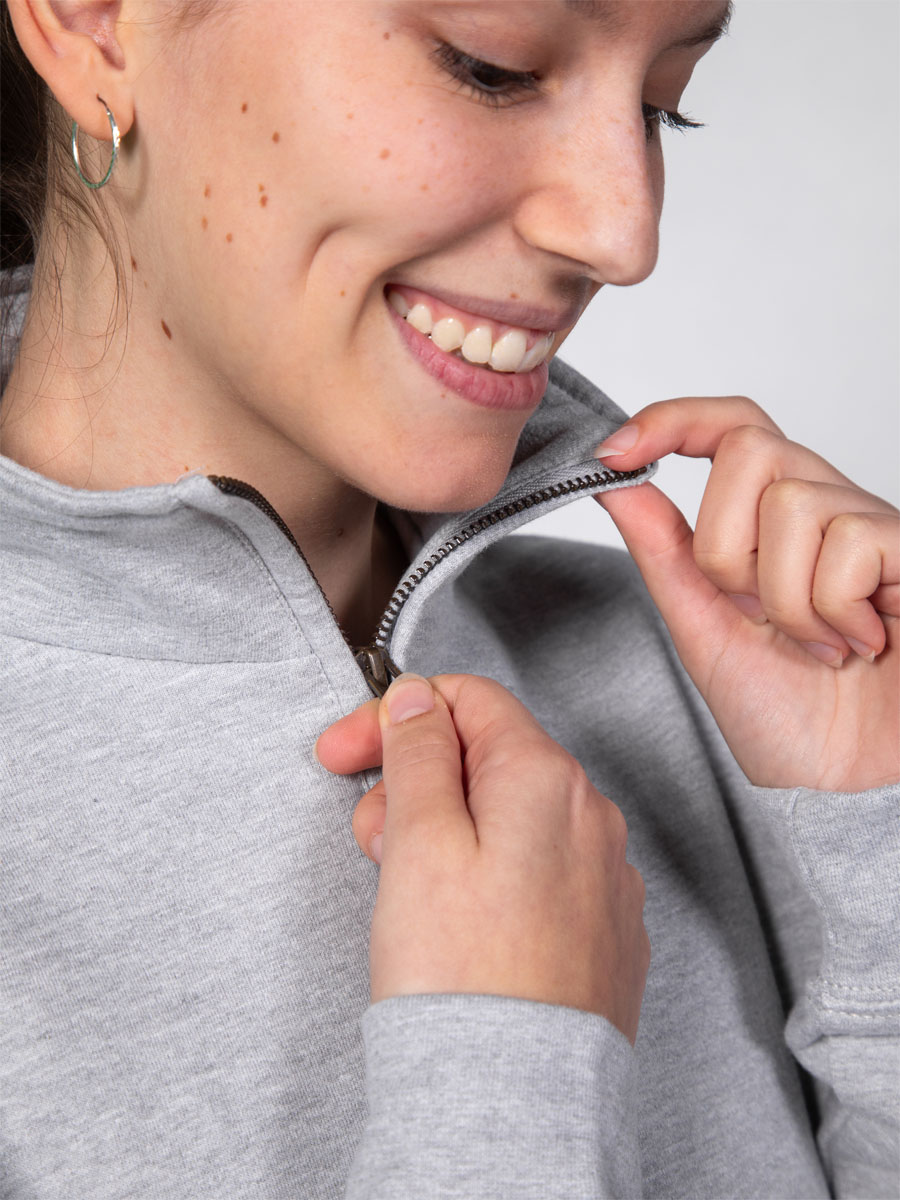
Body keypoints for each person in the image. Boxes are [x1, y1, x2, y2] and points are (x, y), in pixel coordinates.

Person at [0, 1, 896, 1196]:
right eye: (493, 67)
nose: (623, 232)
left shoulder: (728, 684)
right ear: (96, 22)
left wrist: (878, 849)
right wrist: (503, 1080)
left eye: (659, 106)